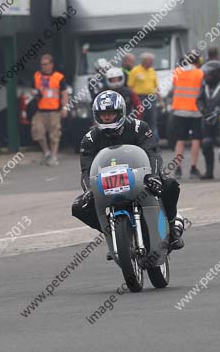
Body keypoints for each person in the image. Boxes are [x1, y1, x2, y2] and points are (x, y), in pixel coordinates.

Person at [72, 91, 185, 252]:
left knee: (170, 185)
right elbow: (85, 169)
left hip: (140, 178)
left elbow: (152, 152)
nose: (107, 118)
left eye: (111, 114)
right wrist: (89, 190)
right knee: (78, 206)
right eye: (103, 115)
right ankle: (114, 234)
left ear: (121, 113)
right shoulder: (89, 139)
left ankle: (173, 226)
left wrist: (152, 175)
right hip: (108, 184)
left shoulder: (139, 127)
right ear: (96, 115)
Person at [196, 61, 220, 180]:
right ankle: (209, 171)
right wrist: (203, 110)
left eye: (208, 74)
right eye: (205, 74)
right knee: (206, 143)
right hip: (207, 117)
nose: (206, 77)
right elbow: (199, 99)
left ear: (216, 74)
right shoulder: (204, 84)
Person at [32, 54, 68, 166]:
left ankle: (54, 156)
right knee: (37, 132)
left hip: (54, 111)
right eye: (42, 64)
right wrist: (34, 93)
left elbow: (64, 94)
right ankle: (46, 152)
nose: (43, 66)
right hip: (40, 111)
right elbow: (33, 89)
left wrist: (65, 108)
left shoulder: (59, 77)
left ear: (51, 65)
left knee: (54, 135)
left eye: (46, 64)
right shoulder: (37, 76)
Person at [171, 58, 204, 178]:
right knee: (196, 139)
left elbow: (174, 86)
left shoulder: (177, 71)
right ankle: (193, 168)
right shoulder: (200, 73)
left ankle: (178, 169)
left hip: (180, 110)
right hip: (196, 111)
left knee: (180, 140)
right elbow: (202, 89)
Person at [127, 52, 160, 136]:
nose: (152, 63)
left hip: (151, 98)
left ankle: (154, 141)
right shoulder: (135, 71)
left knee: (152, 120)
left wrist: (159, 96)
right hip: (139, 98)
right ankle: (140, 138)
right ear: (144, 61)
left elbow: (156, 85)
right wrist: (133, 99)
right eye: (150, 61)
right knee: (140, 120)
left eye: (152, 61)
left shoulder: (152, 71)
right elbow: (130, 86)